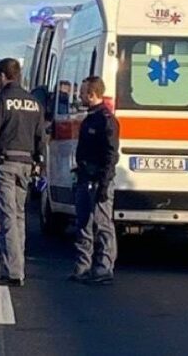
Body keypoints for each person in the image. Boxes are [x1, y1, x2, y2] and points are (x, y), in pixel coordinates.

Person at [0, 58, 46, 287]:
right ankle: (18, 266)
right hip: (26, 166)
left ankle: (13, 272)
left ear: (3, 76)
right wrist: (41, 167)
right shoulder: (34, 103)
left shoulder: (0, 101)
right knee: (19, 216)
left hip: (5, 165)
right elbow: (40, 138)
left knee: (7, 218)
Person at [70, 76, 120, 285]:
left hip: (99, 180)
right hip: (84, 178)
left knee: (102, 225)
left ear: (92, 94)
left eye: (82, 93)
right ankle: (83, 267)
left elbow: (111, 155)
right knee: (83, 224)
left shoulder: (105, 120)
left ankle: (104, 268)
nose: (79, 96)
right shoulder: (91, 118)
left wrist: (104, 184)